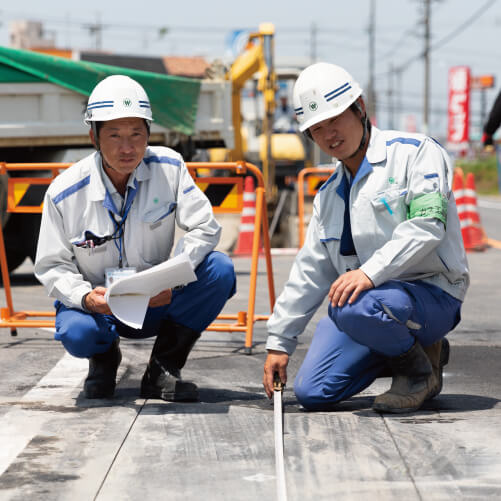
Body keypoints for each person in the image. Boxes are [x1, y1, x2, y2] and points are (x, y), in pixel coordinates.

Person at [262, 62, 469, 414]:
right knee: (314, 391)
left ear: (360, 107)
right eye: (317, 129)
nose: (329, 135)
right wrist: (279, 342)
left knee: (354, 304)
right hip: (368, 307)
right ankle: (414, 349)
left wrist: (369, 273)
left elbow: (427, 225)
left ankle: (419, 375)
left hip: (432, 292)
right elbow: (310, 271)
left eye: (335, 120)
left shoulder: (416, 153)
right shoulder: (329, 195)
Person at [35, 75, 236, 402]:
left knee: (219, 270)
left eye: (136, 134)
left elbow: (205, 227)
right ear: (93, 137)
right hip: (100, 307)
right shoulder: (64, 193)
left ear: (148, 135)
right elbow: (52, 266)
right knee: (77, 331)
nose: (127, 147)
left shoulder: (169, 168)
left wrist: (172, 276)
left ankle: (162, 369)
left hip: (155, 301)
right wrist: (89, 299)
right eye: (114, 135)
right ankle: (103, 360)